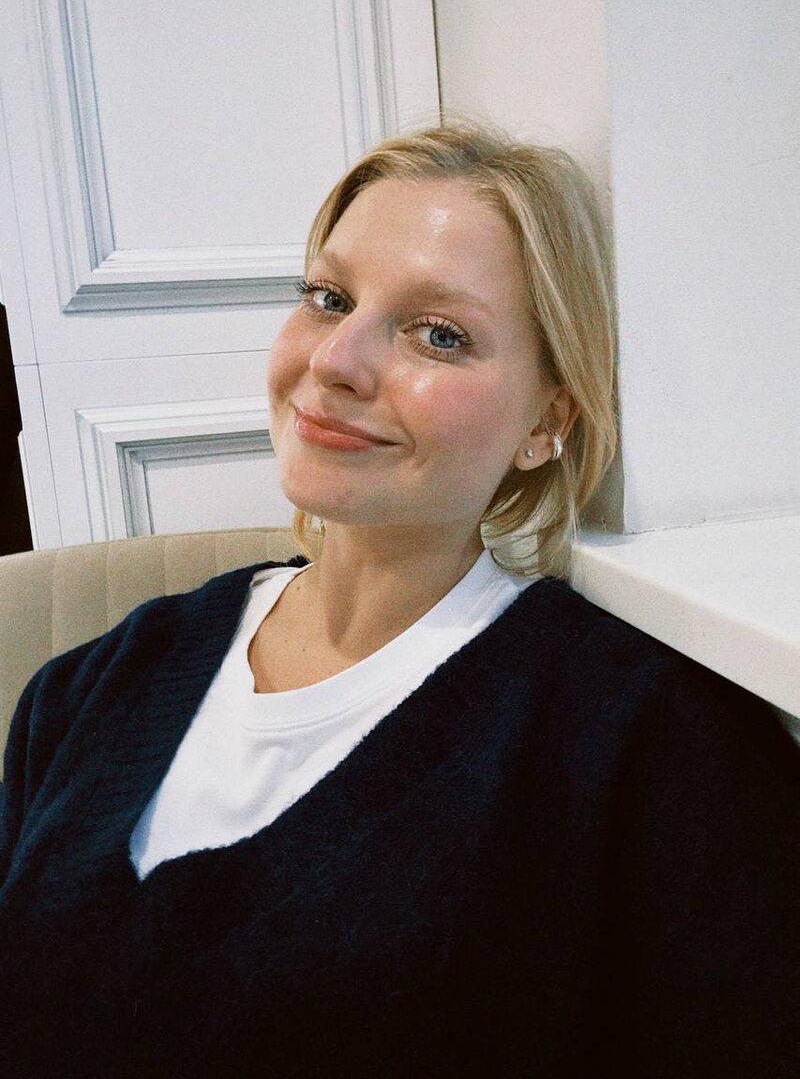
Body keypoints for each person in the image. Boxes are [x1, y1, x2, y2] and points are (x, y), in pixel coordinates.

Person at [1, 123, 798, 1078]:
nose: (335, 361)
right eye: (328, 298)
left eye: (439, 334)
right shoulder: (89, 690)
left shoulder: (652, 746)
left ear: (546, 420)